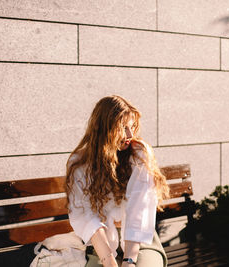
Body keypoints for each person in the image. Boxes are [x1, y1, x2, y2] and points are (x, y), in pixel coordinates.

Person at [65, 95, 169, 267]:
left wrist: (129, 261)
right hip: (99, 244)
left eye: (132, 127)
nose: (130, 134)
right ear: (105, 128)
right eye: (123, 128)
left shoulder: (138, 155)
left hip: (140, 241)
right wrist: (109, 261)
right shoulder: (80, 164)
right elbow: (85, 216)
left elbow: (140, 210)